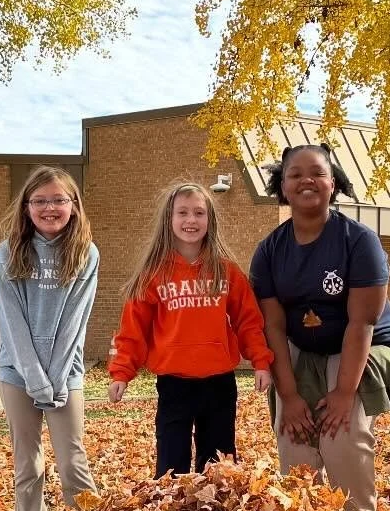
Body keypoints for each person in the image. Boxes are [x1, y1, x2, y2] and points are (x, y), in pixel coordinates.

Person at [250, 144, 390, 511]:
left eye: (318, 173)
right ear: (283, 188)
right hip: (301, 346)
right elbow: (272, 327)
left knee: (342, 434)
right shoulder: (269, 251)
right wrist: (289, 399)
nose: (307, 180)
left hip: (362, 346)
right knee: (294, 437)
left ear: (334, 184)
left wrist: (342, 392)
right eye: (295, 174)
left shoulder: (359, 241)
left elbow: (362, 323)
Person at [107, 181, 273, 476]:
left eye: (199, 213)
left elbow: (248, 321)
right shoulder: (153, 274)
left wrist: (260, 361)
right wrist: (122, 371)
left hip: (219, 382)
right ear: (169, 220)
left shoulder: (227, 272)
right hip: (174, 383)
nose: (191, 220)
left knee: (219, 467)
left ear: (210, 220)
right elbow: (134, 329)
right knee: (172, 468)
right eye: (182, 213)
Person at [0, 166, 99, 511]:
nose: (49, 208)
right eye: (39, 200)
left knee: (72, 461)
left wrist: (54, 380)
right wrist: (36, 380)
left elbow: (74, 321)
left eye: (58, 199)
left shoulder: (86, 253)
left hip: (65, 375)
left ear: (73, 205)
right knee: (28, 464)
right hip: (17, 375)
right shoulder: (8, 253)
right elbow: (11, 323)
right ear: (26, 207)